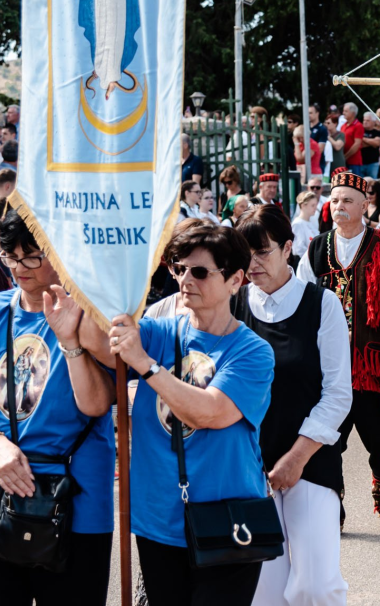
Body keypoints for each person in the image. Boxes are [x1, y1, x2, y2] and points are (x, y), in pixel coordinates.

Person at [81, 223, 276, 606]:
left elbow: (211, 412)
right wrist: (100, 266)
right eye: (178, 268)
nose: (186, 279)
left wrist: (146, 365)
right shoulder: (159, 331)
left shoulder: (252, 351)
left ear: (236, 279)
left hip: (228, 520)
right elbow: (98, 341)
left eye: (200, 271)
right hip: (159, 520)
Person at [0, 211, 116, 605]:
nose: (20, 267)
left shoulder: (91, 316)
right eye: (11, 256)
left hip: (76, 501)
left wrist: (70, 338)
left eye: (32, 256)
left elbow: (95, 405)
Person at [231, 206, 351, 606]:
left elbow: (337, 393)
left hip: (311, 462)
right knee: (263, 592)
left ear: (288, 248)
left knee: (315, 587)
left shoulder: (323, 305)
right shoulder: (232, 306)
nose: (252, 264)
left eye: (262, 252)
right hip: (249, 469)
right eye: (244, 254)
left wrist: (297, 458)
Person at [296, 171, 380, 533]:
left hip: (373, 363)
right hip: (328, 368)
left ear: (365, 205)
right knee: (328, 441)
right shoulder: (316, 247)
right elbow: (301, 300)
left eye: (346, 200)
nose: (338, 205)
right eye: (334, 199)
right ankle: (332, 509)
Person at [291, 192, 320, 259]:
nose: (315, 208)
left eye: (316, 205)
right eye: (312, 205)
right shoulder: (297, 224)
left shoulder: (310, 222)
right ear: (303, 206)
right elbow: (298, 249)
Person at [340, 104, 365, 176]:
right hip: (344, 160)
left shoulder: (358, 126)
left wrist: (345, 157)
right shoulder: (343, 125)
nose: (343, 113)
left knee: (355, 184)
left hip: (354, 161)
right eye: (343, 111)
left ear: (353, 113)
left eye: (346, 111)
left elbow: (357, 144)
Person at [359, 112, 380, 179]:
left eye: (368, 120)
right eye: (364, 120)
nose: (365, 122)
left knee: (373, 184)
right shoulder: (359, 130)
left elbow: (377, 143)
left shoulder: (377, 132)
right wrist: (371, 142)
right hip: (360, 163)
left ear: (373, 122)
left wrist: (363, 138)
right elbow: (359, 144)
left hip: (373, 163)